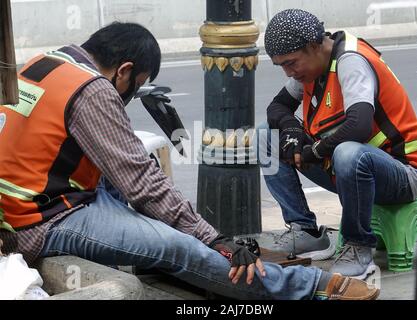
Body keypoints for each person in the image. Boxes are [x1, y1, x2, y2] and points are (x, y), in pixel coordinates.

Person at [0, 22, 379, 300]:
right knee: (176, 244)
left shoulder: (48, 61)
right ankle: (311, 289)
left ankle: (163, 259)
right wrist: (214, 239)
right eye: (137, 84)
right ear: (125, 70)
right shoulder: (93, 90)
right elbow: (143, 184)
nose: (129, 96)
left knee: (162, 211)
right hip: (44, 220)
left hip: (36, 197)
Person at [259, 9, 417, 279]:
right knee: (266, 135)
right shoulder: (313, 66)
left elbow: (358, 126)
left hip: (402, 175)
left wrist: (313, 151)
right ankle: (306, 232)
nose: (288, 72)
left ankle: (358, 247)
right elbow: (277, 107)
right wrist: (291, 129)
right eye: (282, 66)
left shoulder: (351, 61)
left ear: (314, 46)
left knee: (348, 152)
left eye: (291, 63)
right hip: (350, 170)